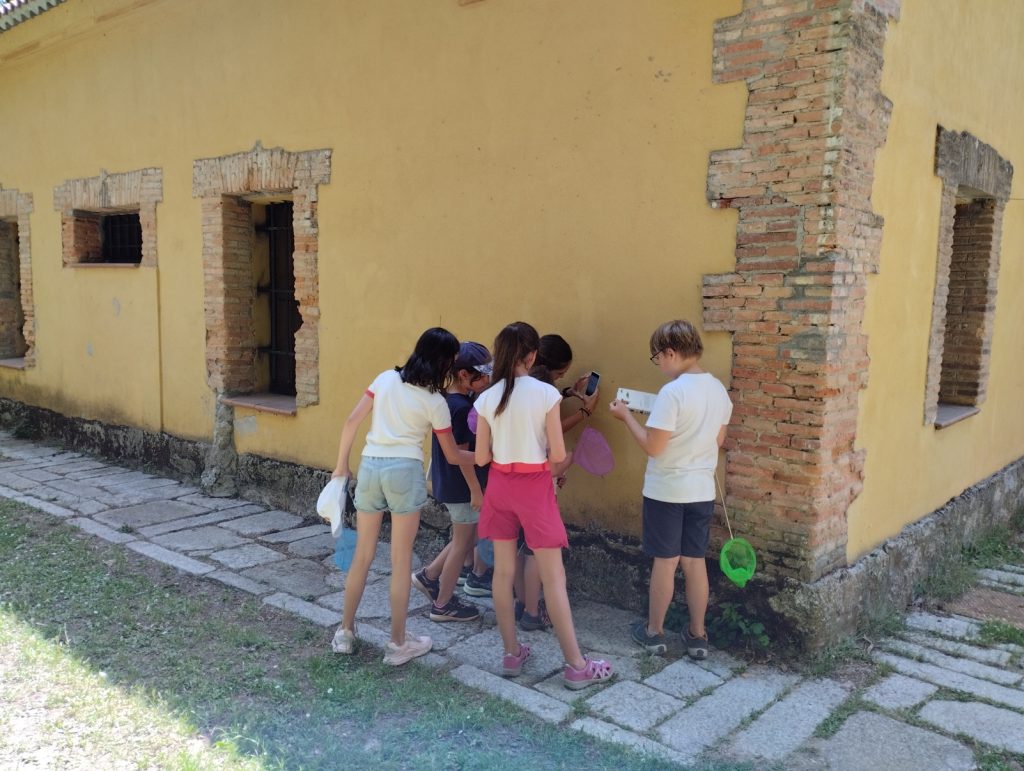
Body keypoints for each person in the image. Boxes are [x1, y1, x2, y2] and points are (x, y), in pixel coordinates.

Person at [475, 321, 613, 689]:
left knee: (503, 575)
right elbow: (558, 454)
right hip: (534, 485)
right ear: (533, 355)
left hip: (499, 486)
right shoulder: (545, 395)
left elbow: (480, 457)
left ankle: (510, 653)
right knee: (554, 578)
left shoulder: (488, 397)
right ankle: (576, 664)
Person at [329, 327, 476, 666]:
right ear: (443, 363)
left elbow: (352, 422)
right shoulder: (435, 402)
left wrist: (341, 467)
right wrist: (486, 458)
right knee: (401, 561)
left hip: (370, 467)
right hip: (404, 473)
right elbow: (454, 455)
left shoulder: (384, 379)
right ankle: (397, 643)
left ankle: (344, 632)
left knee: (362, 556)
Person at [609, 319, 732, 659]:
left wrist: (626, 417)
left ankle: (654, 633)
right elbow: (718, 440)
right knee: (694, 563)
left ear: (671, 352)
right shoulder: (719, 390)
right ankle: (697, 635)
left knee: (665, 563)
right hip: (701, 490)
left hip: (667, 491)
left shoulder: (673, 392)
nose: (659, 364)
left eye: (657, 357)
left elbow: (654, 447)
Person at [412, 341, 493, 622]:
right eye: (481, 375)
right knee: (463, 544)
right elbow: (460, 454)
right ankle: (443, 605)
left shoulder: (452, 400)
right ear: (463, 375)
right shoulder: (459, 407)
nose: (487, 380)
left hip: (452, 483)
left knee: (464, 538)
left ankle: (429, 576)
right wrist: (475, 489)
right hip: (462, 486)